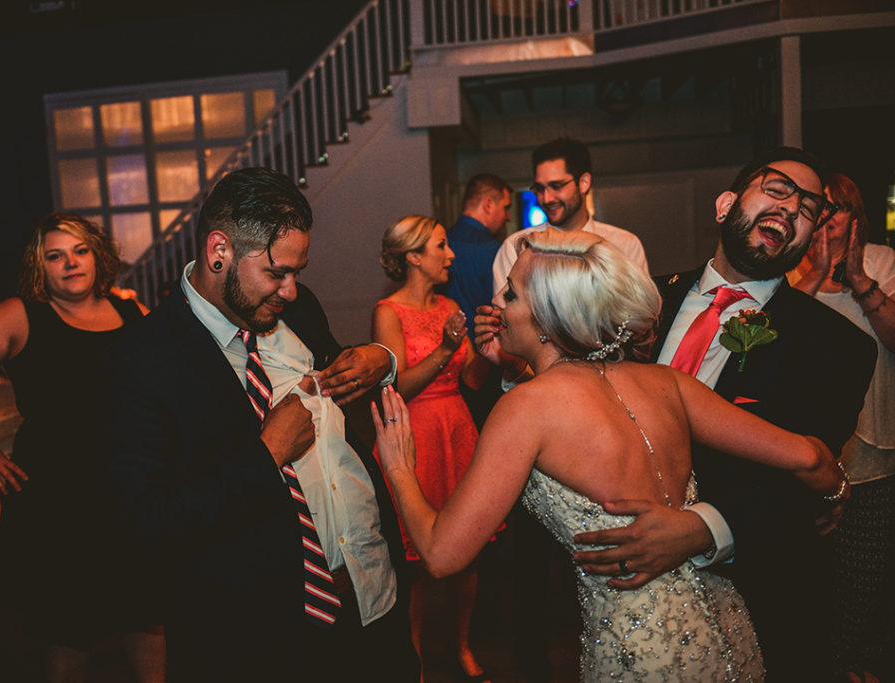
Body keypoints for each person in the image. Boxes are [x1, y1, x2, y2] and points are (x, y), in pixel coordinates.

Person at [374, 228, 848, 681]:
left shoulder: (525, 408)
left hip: (641, 646)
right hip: (725, 624)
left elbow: (441, 555)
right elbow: (809, 457)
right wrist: (834, 497)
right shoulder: (668, 382)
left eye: (511, 294)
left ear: (548, 317)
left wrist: (398, 465)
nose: (497, 304)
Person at [99, 167, 418, 682]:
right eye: (277, 273)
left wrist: (381, 357)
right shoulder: (140, 361)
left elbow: (343, 371)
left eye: (298, 271)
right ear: (218, 250)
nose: (291, 290)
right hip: (260, 638)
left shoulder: (297, 308)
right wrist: (266, 453)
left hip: (370, 592)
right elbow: (144, 528)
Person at [569, 148, 877, 680]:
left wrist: (702, 529)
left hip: (754, 591)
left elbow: (807, 477)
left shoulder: (838, 345)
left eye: (809, 208)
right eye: (777, 189)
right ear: (726, 204)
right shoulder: (641, 303)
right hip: (613, 583)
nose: (792, 209)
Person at [0, 213, 162, 682]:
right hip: (57, 499)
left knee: (147, 612)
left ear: (98, 256)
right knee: (67, 627)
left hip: (131, 490)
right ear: (40, 267)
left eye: (79, 251)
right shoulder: (20, 316)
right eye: (55, 256)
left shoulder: (132, 314)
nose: (70, 263)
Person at [788, 173, 895, 680]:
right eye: (818, 211)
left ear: (856, 217)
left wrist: (856, 279)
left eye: (838, 210)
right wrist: (814, 274)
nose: (828, 221)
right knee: (808, 583)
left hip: (873, 457)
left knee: (866, 582)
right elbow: (770, 345)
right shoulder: (786, 270)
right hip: (803, 459)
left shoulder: (883, 263)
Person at [374, 215, 490, 681]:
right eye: (442, 246)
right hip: (417, 432)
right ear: (414, 257)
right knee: (418, 561)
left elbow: (470, 381)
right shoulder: (388, 311)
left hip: (458, 429)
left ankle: (462, 645)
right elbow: (395, 383)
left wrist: (487, 349)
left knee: (468, 553)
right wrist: (444, 350)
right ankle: (416, 659)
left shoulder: (449, 305)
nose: (452, 255)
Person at [491, 137, 647, 295]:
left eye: (556, 186)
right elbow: (506, 314)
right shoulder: (515, 247)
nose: (546, 198)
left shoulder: (625, 245)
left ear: (584, 182)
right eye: (539, 188)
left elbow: (641, 313)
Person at [443, 174, 512, 341]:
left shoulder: (442, 241)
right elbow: (504, 309)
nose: (508, 216)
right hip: (485, 347)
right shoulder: (494, 250)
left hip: (446, 347)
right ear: (488, 204)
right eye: (506, 207)